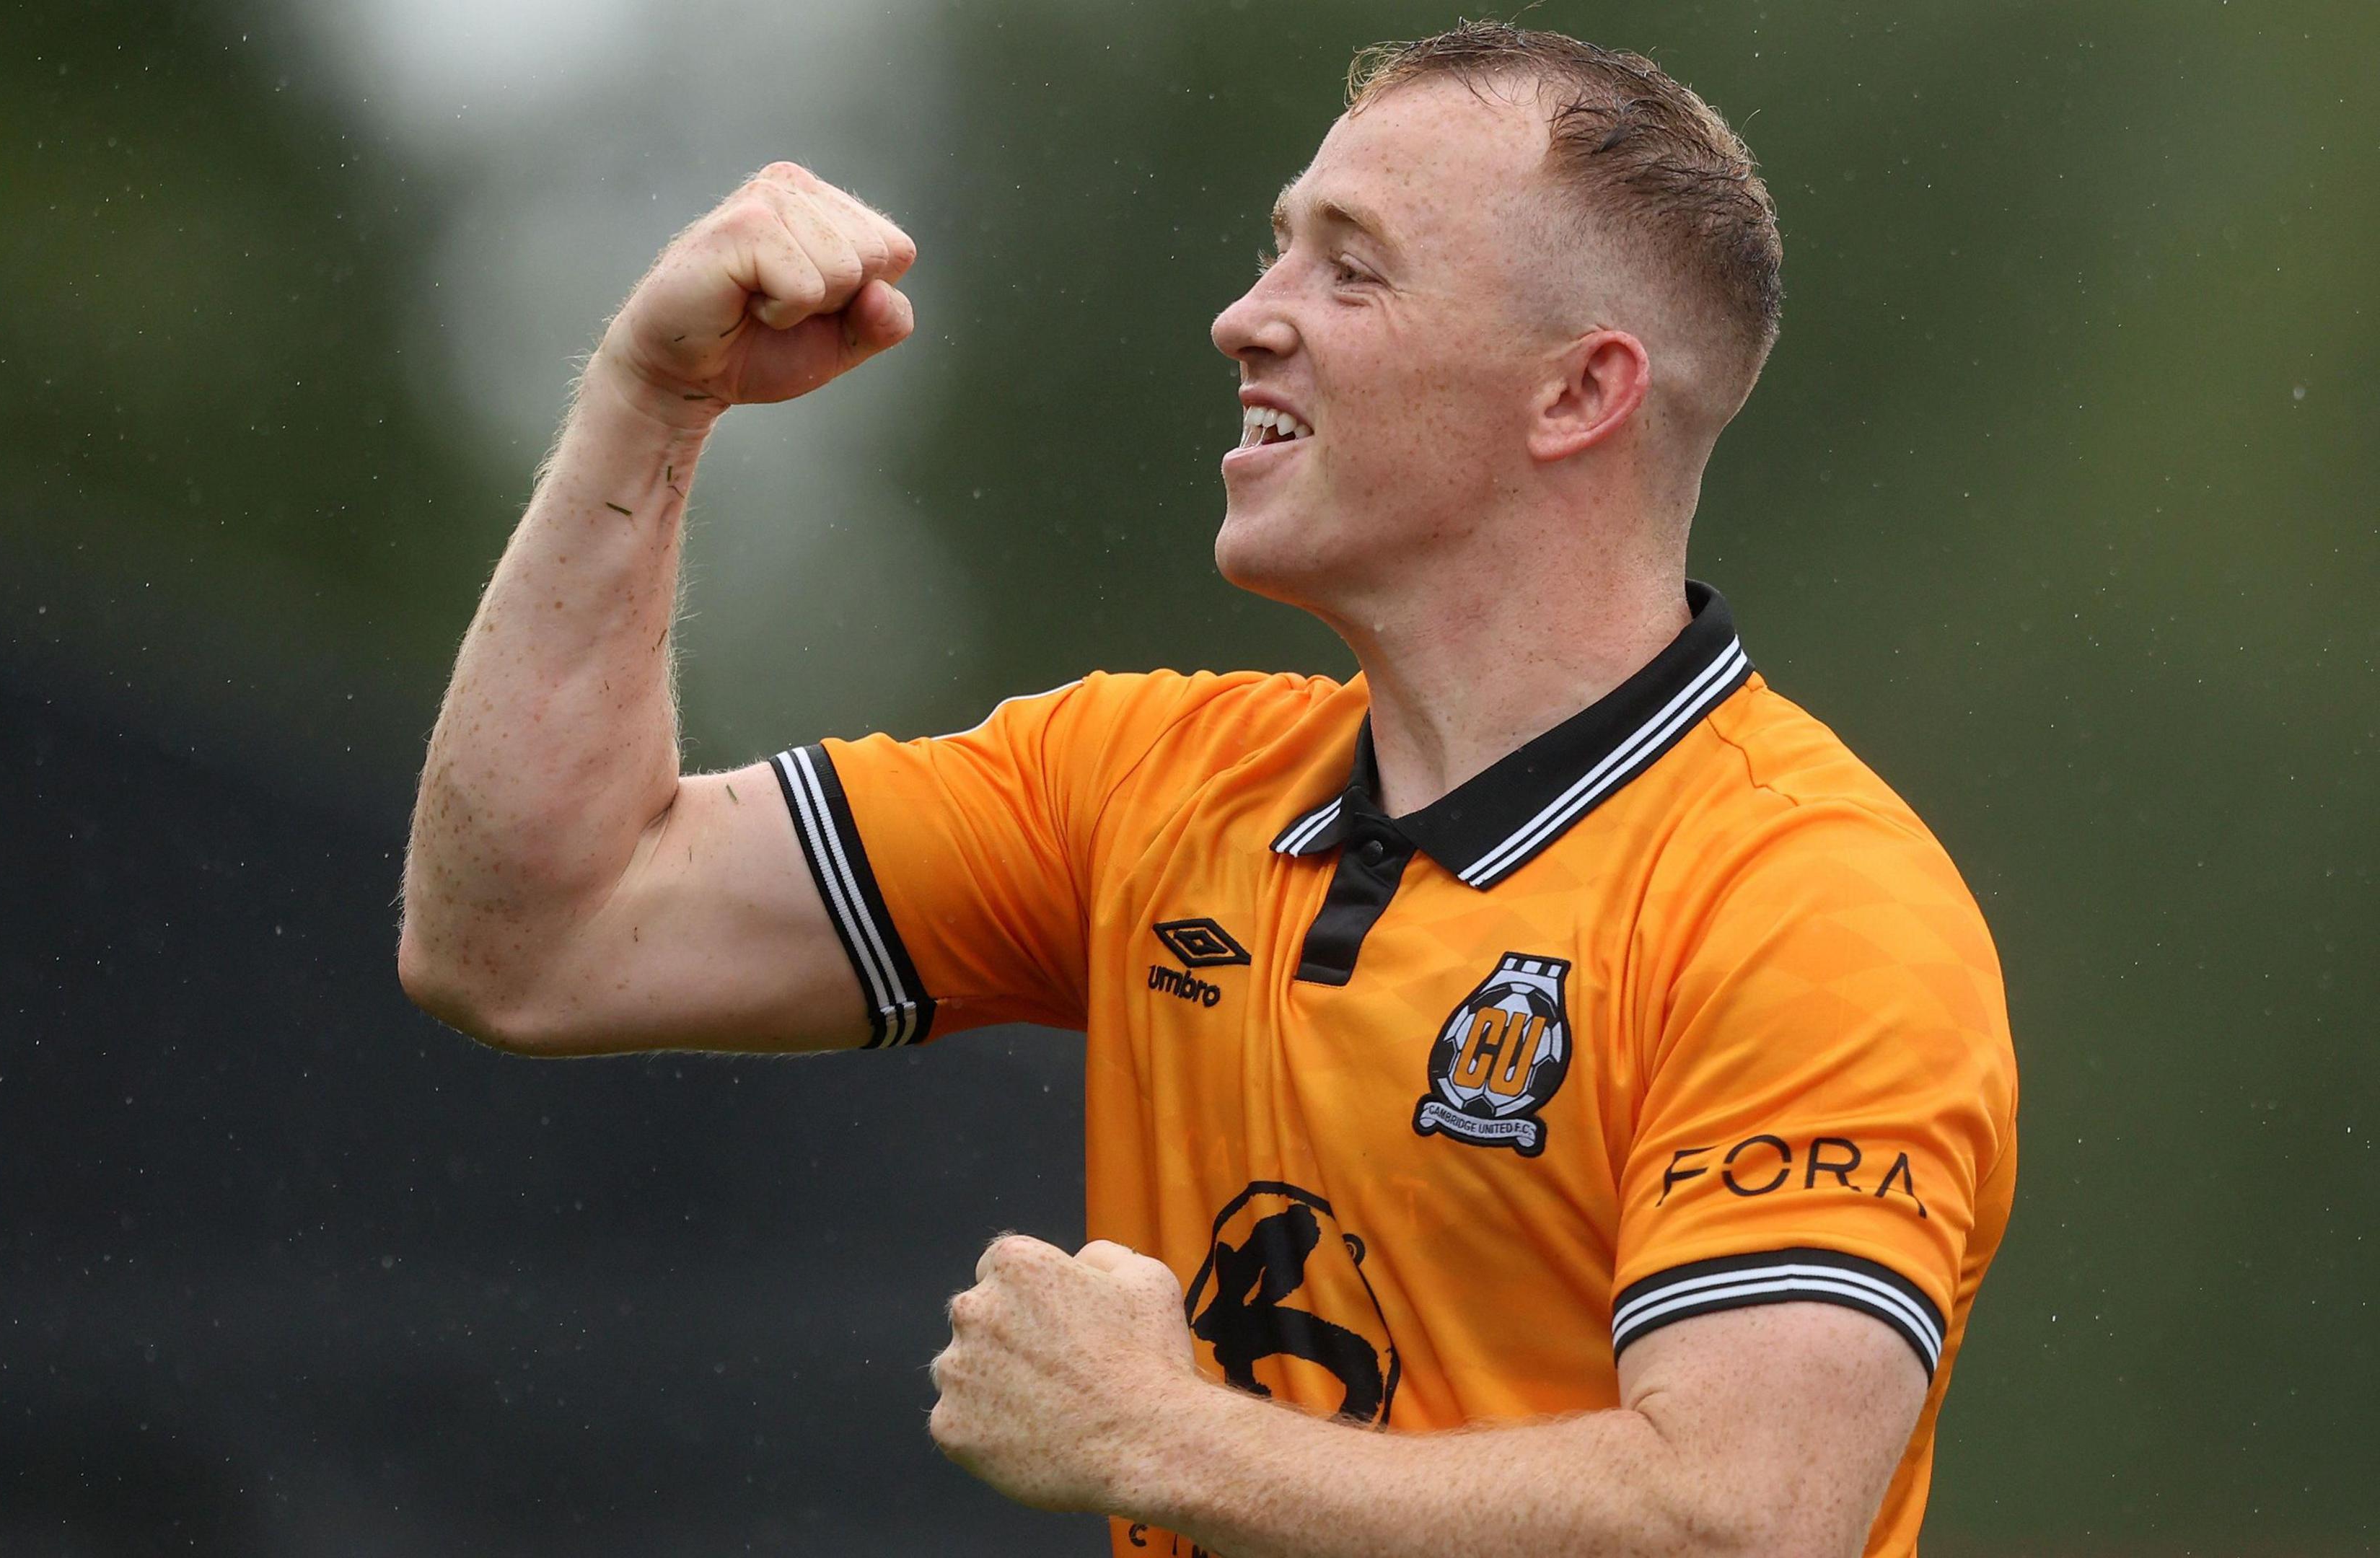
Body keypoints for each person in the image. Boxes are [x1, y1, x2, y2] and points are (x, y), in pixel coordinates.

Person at [396, 21, 2015, 1558]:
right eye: (1278, 244)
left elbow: (1744, 1519)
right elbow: (533, 933)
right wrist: (651, 404)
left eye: (1353, 267)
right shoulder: (1146, 783)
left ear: (1578, 396)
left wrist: (1147, 1438)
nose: (1248, 314)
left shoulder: (1812, 903)